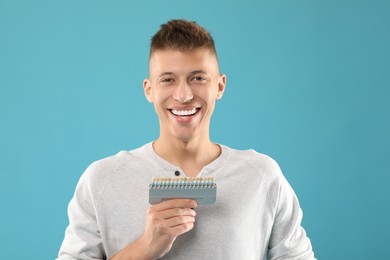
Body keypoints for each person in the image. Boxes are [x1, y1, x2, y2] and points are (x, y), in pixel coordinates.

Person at [57, 19, 316, 260]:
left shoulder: (262, 177)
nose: (183, 95)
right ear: (150, 89)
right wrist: (143, 248)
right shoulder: (101, 180)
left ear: (220, 86)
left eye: (198, 78)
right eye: (168, 79)